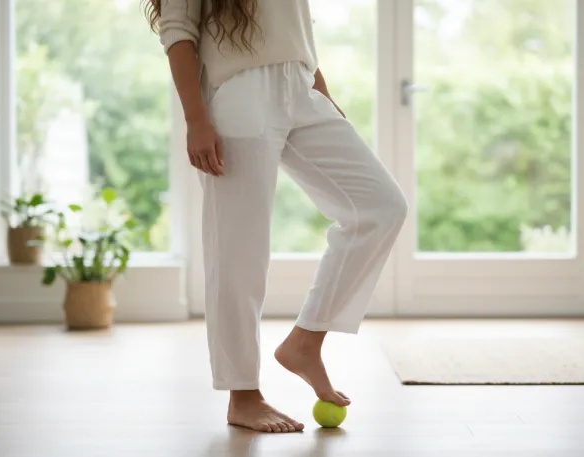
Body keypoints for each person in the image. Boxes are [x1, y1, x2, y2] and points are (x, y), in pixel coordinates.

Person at [145, 0, 408, 433]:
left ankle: (306, 341)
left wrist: (321, 93)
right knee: (238, 254)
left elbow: (295, 26)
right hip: (237, 95)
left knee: (380, 206)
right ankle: (243, 395)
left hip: (302, 88)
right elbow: (177, 31)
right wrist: (196, 118)